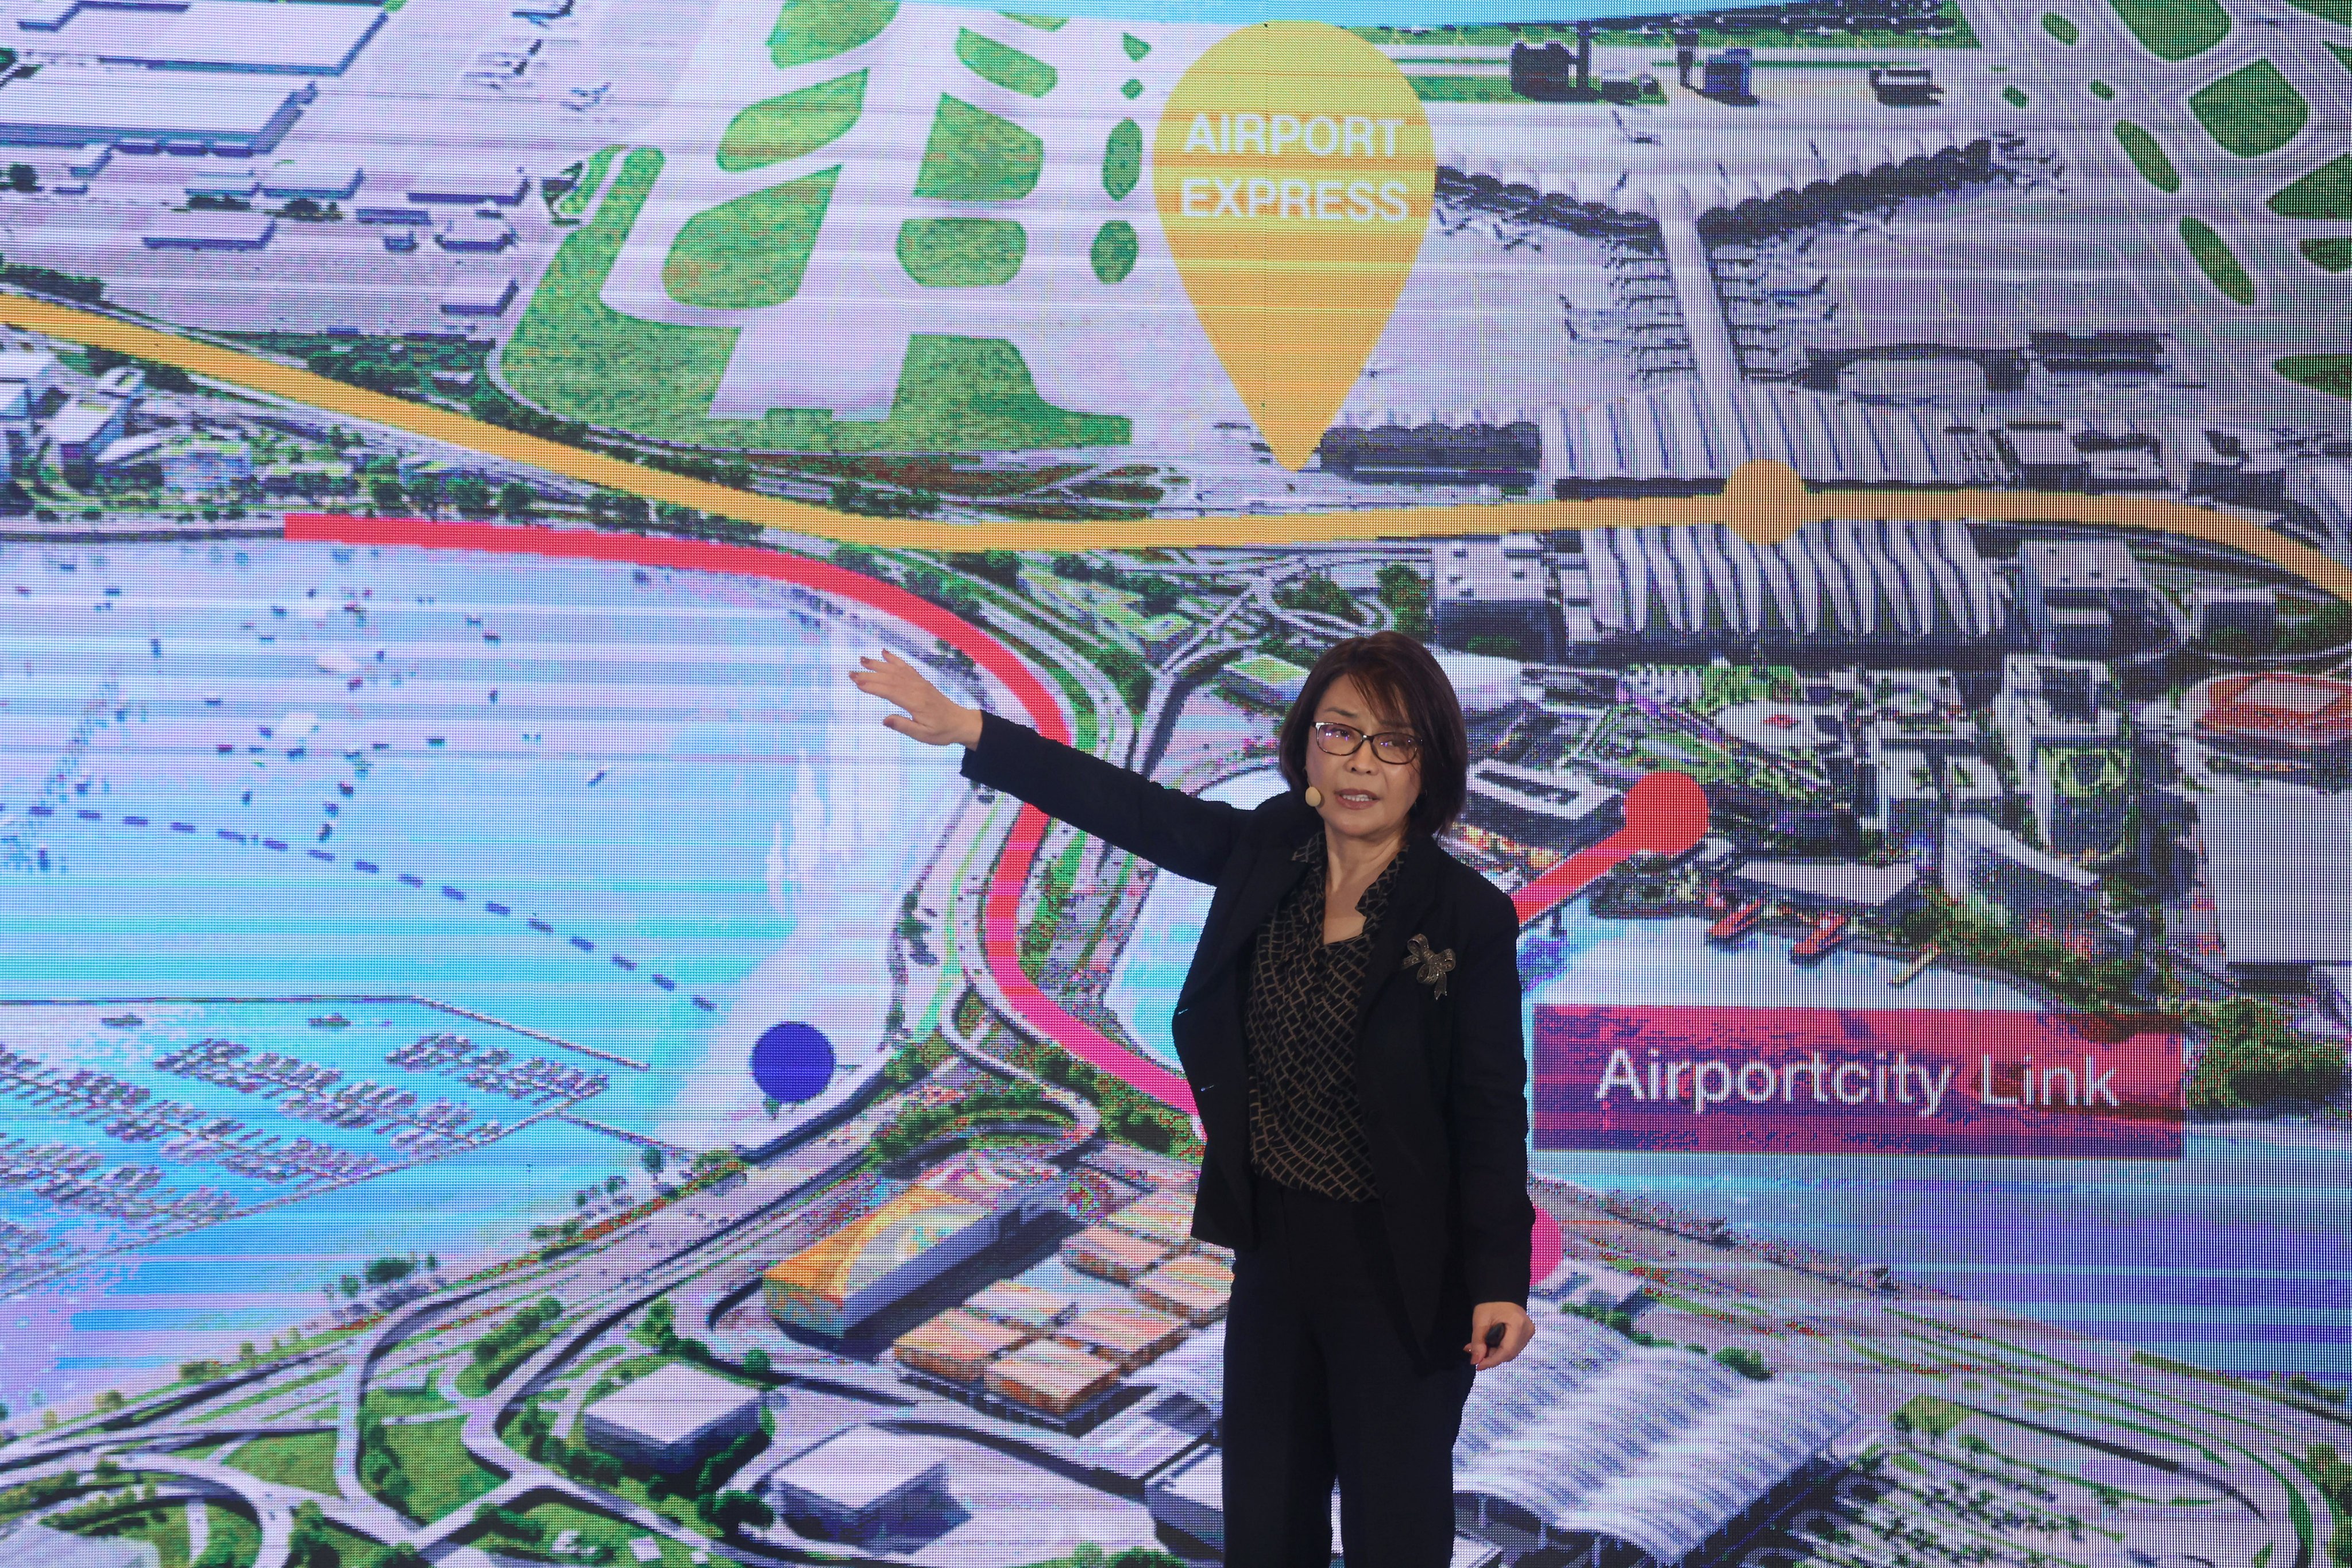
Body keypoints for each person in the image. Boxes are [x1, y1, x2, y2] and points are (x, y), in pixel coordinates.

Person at [851, 630, 1535, 1568]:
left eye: (1394, 740)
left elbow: (1491, 1108)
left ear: (1431, 765)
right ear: (1305, 746)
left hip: (1408, 1269)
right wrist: (974, 729)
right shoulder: (1269, 847)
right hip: (1275, 1247)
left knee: (1395, 1527)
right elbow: (1130, 809)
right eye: (1340, 732)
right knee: (1264, 1517)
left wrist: (1500, 1277)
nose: (1361, 762)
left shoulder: (1467, 915)